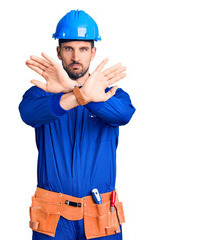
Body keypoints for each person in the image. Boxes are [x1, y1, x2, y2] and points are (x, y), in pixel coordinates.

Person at [19, 10, 135, 240]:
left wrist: (84, 95)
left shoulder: (113, 95)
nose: (75, 57)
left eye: (83, 49)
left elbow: (123, 115)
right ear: (58, 52)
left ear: (93, 52)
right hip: (52, 219)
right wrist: (78, 95)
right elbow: (28, 114)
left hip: (101, 217)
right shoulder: (39, 95)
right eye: (69, 48)